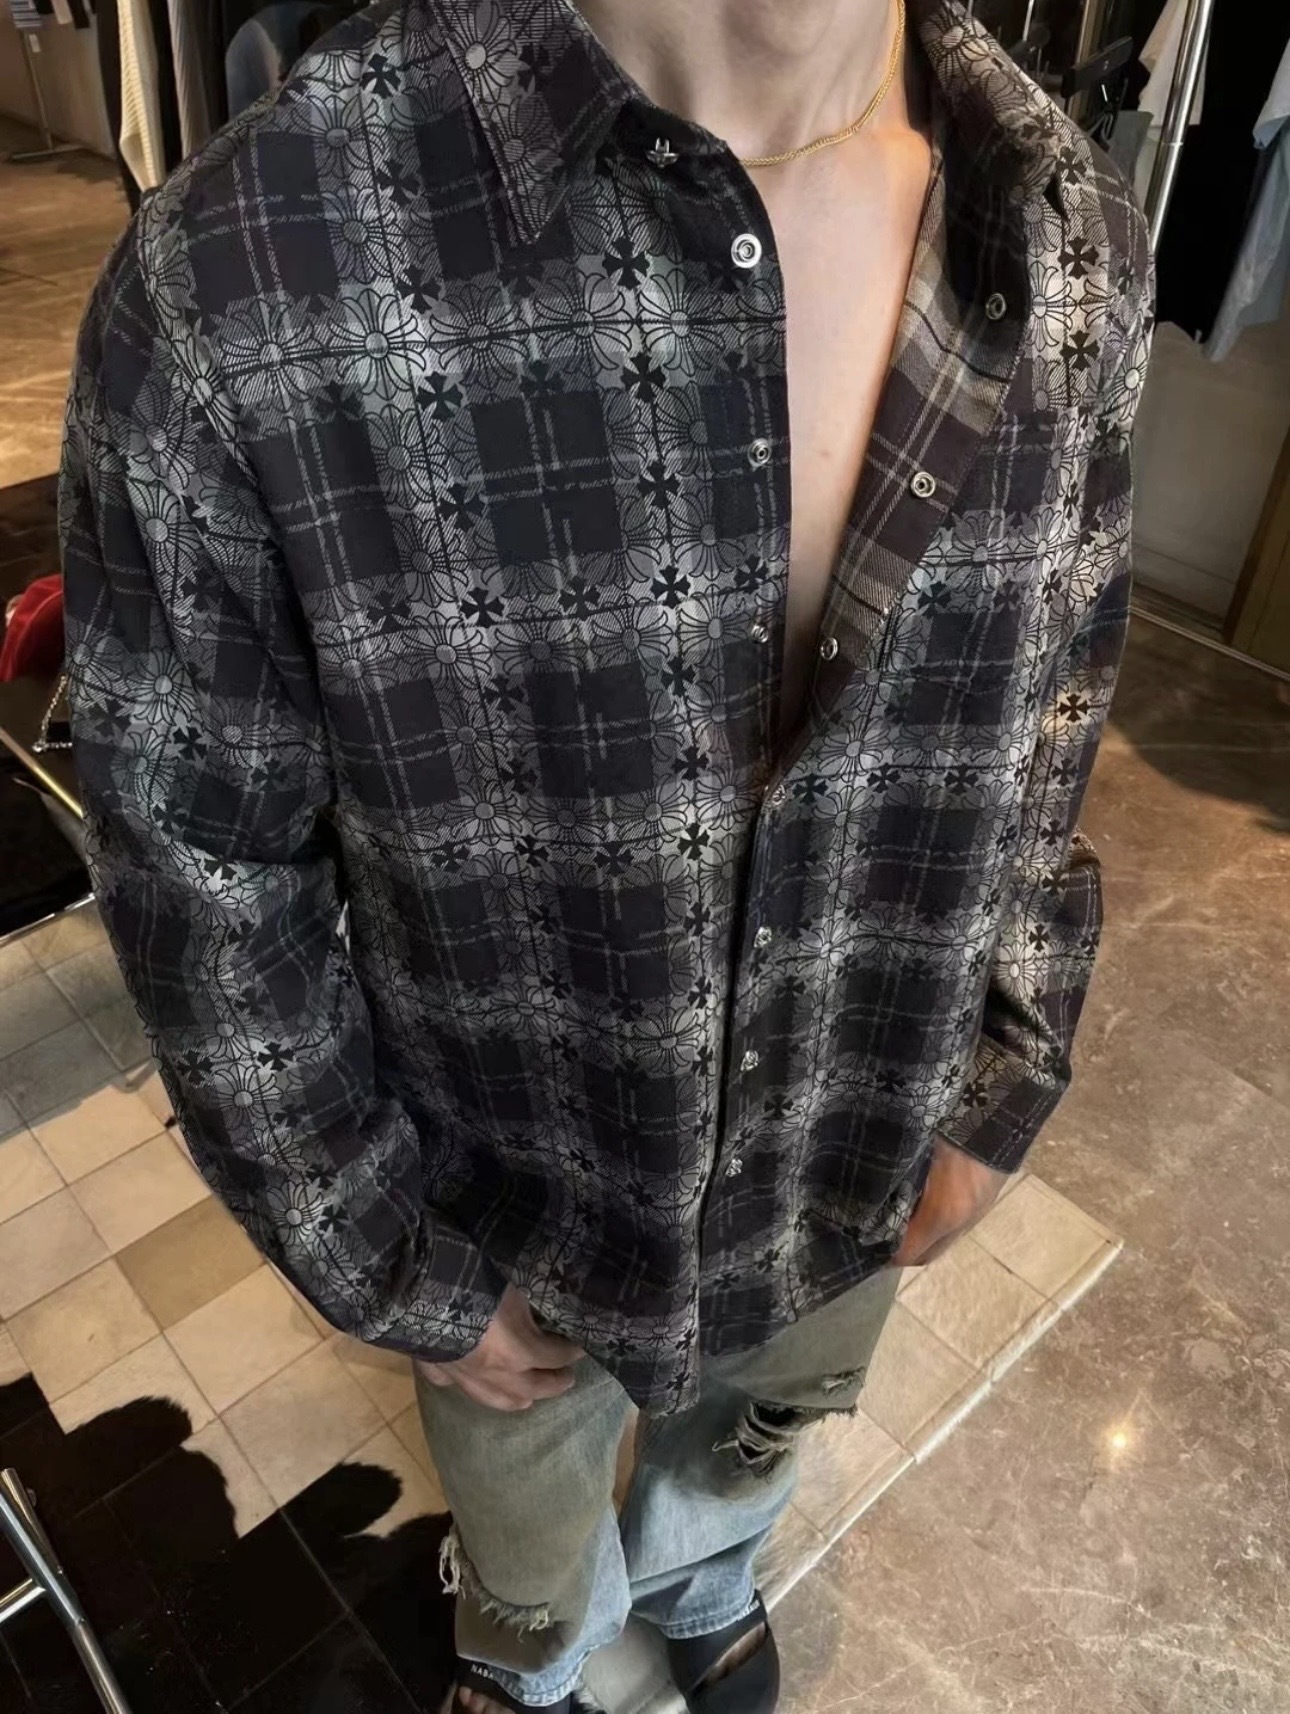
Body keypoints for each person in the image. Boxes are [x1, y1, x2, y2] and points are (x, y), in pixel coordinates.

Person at [61, 1, 1152, 1710]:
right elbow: (201, 864)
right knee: (523, 1491)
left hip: (851, 1135)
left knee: (765, 1420)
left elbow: (1059, 688)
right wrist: (380, 1244)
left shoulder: (1061, 225)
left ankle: (705, 1569)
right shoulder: (248, 278)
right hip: (506, 1190)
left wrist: (1002, 1062)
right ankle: (532, 1642)